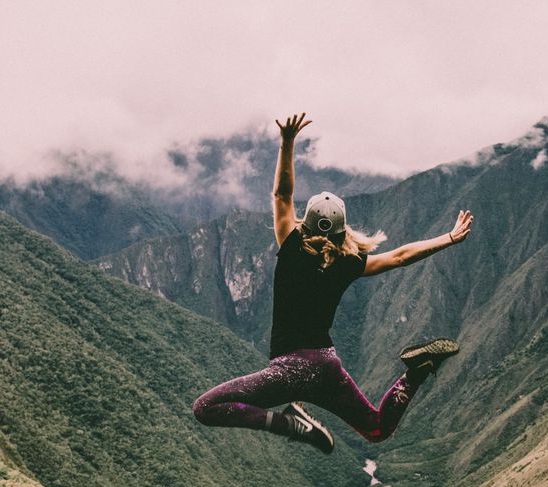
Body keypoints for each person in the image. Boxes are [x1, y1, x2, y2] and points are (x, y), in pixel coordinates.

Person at [192, 112, 474, 453]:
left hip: (289, 371)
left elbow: (282, 195)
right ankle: (414, 373)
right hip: (327, 367)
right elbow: (400, 256)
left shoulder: (292, 246)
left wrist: (287, 142)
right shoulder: (348, 262)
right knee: (377, 429)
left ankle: (290, 424)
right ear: (343, 230)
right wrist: (448, 238)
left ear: (305, 223)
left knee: (206, 408)